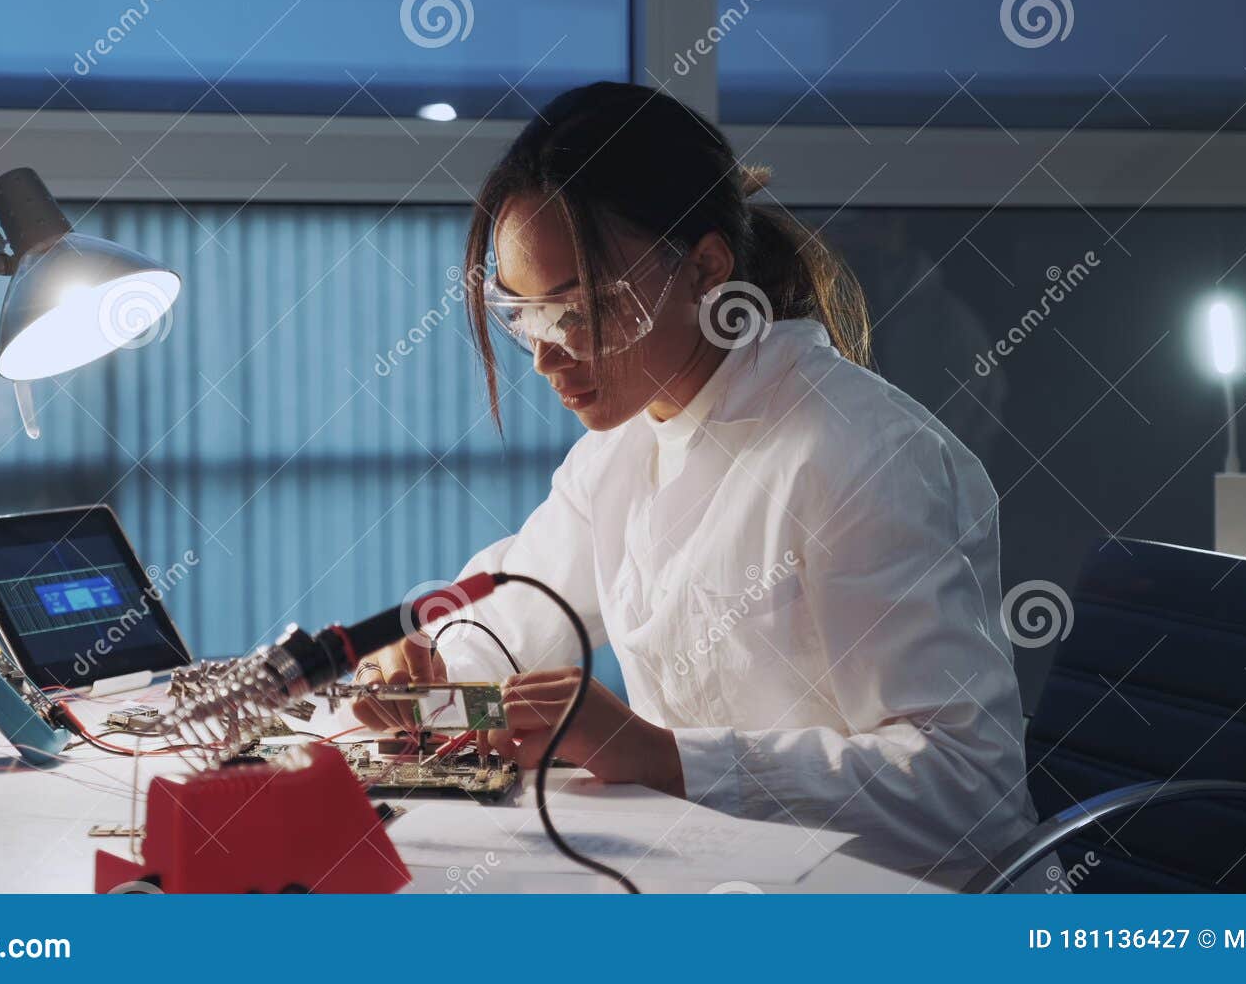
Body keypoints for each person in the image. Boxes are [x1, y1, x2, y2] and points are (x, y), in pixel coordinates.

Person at [352, 81, 1037, 884]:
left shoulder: (859, 455)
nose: (545, 355)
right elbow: (513, 618)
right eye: (525, 314)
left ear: (705, 270)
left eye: (580, 310)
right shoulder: (623, 450)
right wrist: (426, 666)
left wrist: (665, 758)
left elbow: (968, 790)